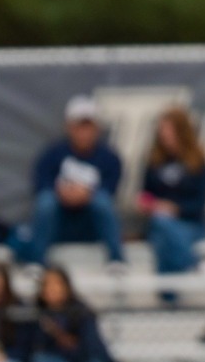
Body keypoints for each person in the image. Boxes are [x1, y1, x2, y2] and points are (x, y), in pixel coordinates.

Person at [18, 95, 126, 266]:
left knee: (102, 201)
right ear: (69, 127)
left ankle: (116, 259)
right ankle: (36, 261)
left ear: (96, 129)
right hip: (60, 220)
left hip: (90, 222)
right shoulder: (53, 154)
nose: (83, 133)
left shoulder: (109, 158)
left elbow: (110, 189)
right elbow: (40, 184)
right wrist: (62, 192)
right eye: (79, 127)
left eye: (88, 127)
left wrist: (85, 194)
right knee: (46, 202)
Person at [141, 105, 205, 277]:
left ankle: (169, 294)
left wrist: (174, 208)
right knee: (161, 225)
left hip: (189, 224)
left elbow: (200, 204)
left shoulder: (198, 162)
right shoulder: (154, 161)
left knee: (165, 236)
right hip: (158, 224)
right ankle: (191, 264)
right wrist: (148, 204)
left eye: (169, 130)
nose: (165, 134)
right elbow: (146, 193)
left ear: (182, 131)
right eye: (162, 130)